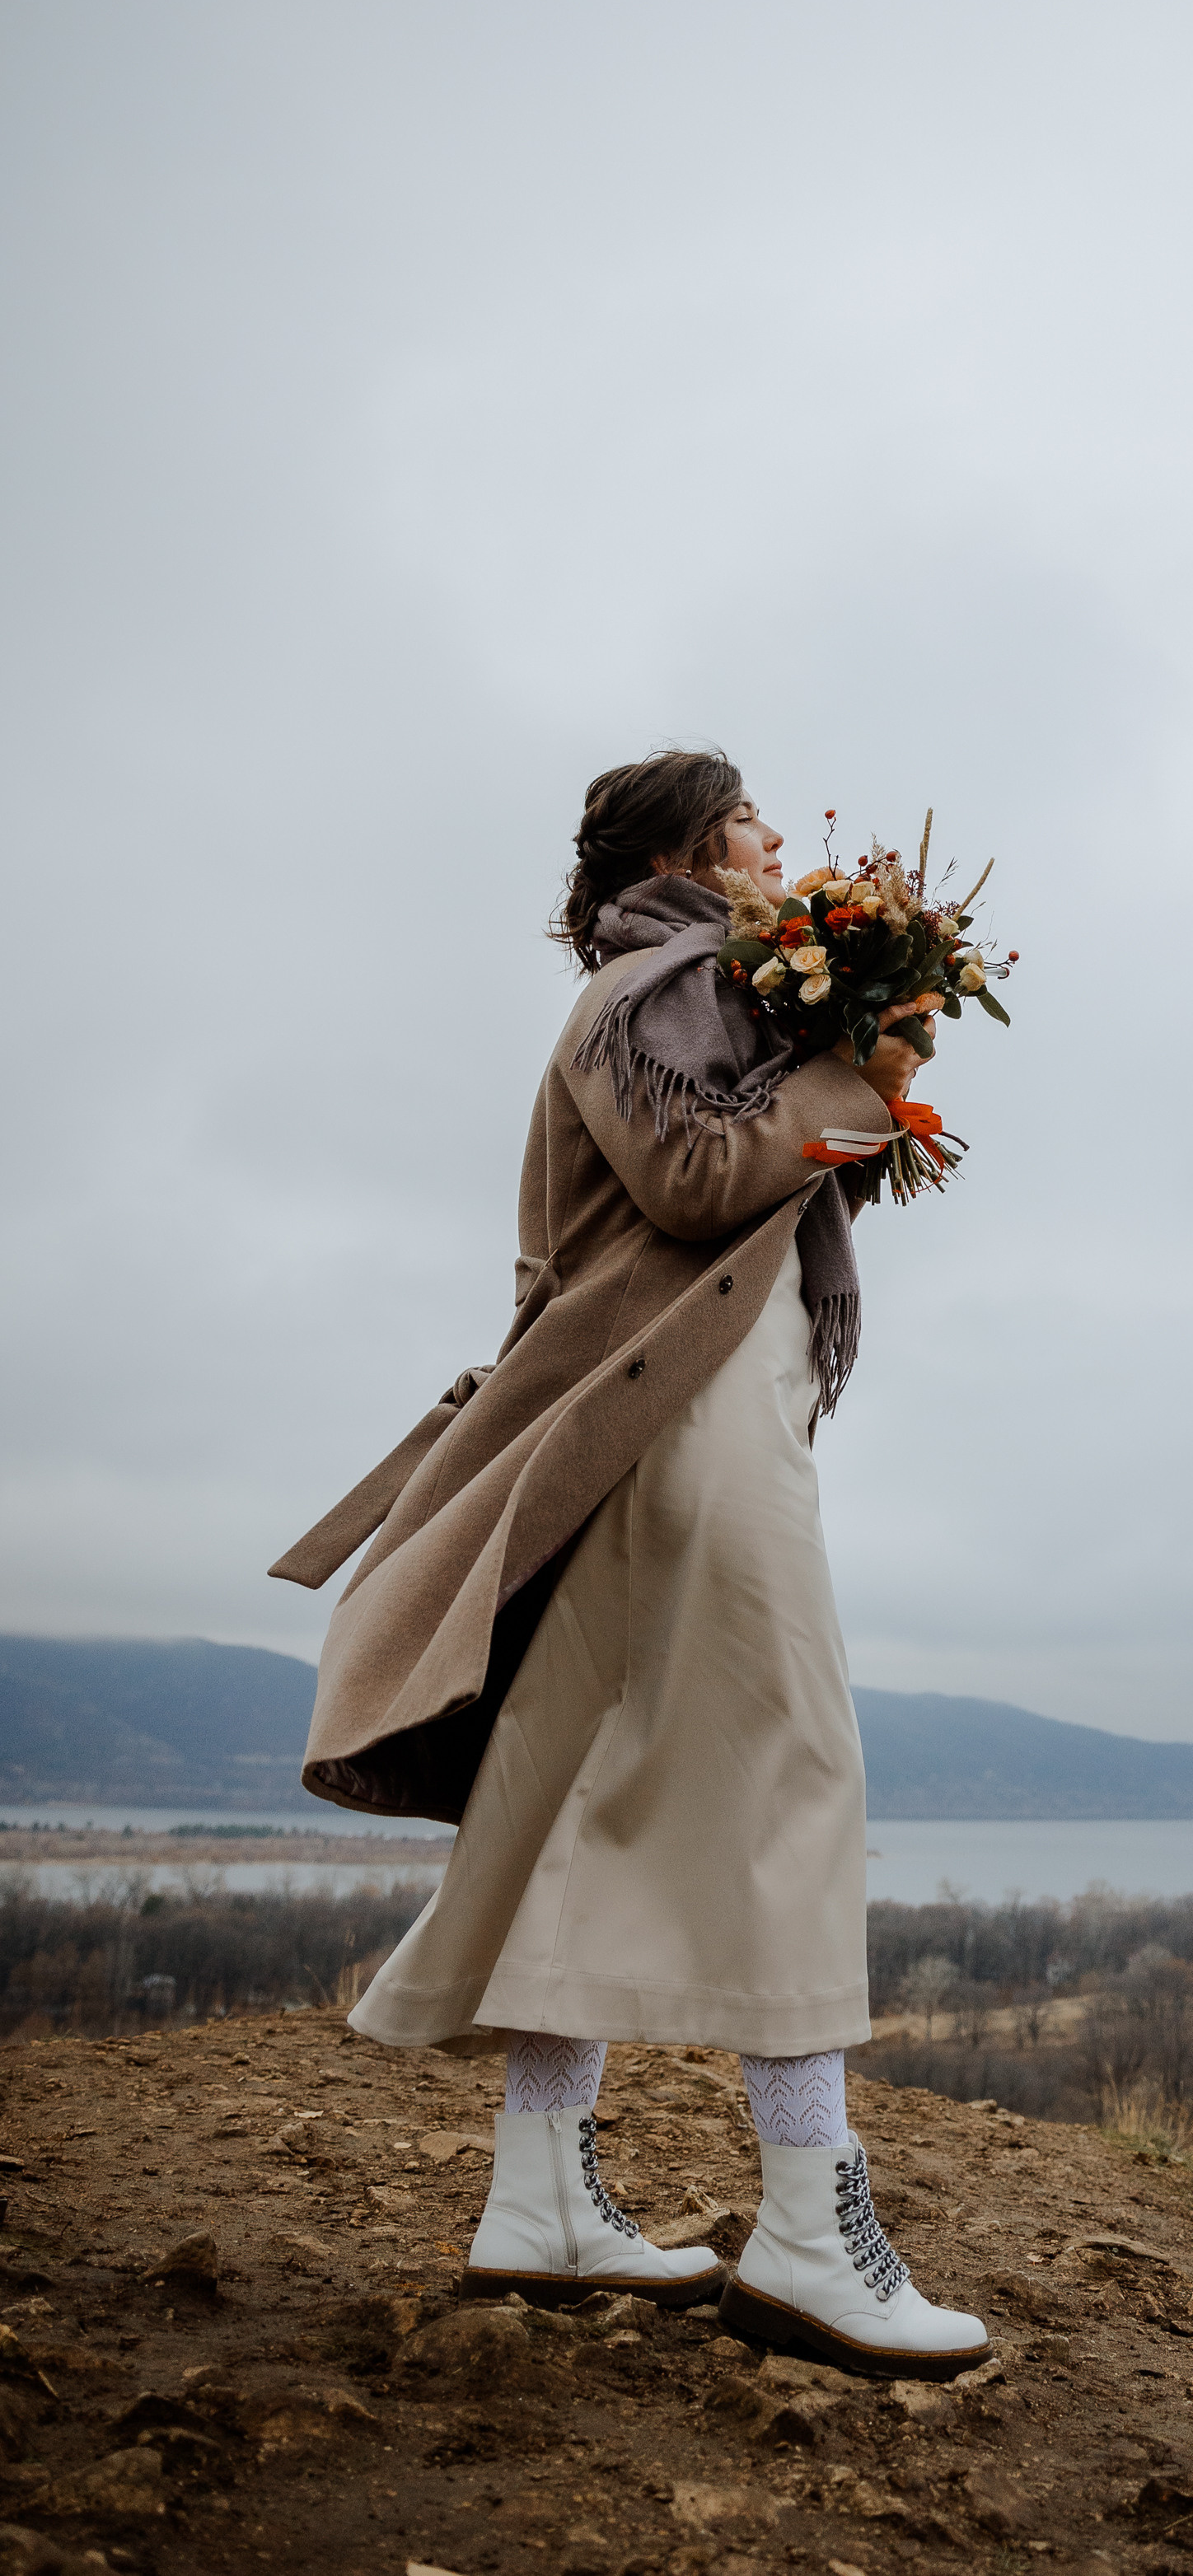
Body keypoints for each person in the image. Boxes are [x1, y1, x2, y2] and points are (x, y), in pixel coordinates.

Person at [272, 749, 989, 2378]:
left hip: (651, 1420)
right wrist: (863, 1074)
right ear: (680, 844)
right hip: (687, 1418)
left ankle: (541, 2192)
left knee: (575, 1777)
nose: (778, 841)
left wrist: (846, 1065)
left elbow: (731, 1167)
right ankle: (813, 2228)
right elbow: (695, 1174)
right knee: (793, 1762)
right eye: (749, 821)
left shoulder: (678, 987)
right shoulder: (658, 980)